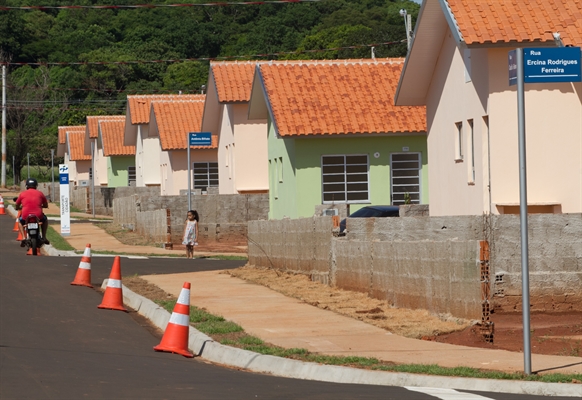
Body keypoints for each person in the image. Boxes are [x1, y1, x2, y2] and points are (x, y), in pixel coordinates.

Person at [15, 178, 50, 247]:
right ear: (36, 186)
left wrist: (17, 208)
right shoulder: (40, 193)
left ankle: (23, 237)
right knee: (45, 220)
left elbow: (17, 204)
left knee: (20, 221)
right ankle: (44, 237)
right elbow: (46, 204)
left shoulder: (22, 194)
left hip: (25, 216)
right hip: (38, 216)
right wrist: (42, 206)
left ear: (26, 186)